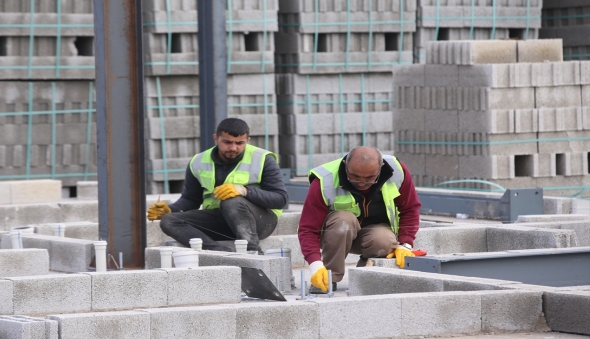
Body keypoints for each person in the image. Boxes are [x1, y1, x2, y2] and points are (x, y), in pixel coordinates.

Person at [147, 118, 288, 253]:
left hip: (261, 223)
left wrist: (244, 191)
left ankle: (252, 251)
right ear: (216, 138)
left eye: (240, 143)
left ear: (247, 141)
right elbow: (191, 200)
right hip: (222, 221)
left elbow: (280, 199)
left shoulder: (263, 159)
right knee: (169, 221)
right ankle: (218, 252)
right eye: (227, 142)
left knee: (232, 201)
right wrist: (170, 210)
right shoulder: (198, 161)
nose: (233, 147)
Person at [298, 146, 421, 293]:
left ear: (381, 168)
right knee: (344, 220)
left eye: (369, 178)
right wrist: (316, 266)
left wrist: (405, 244)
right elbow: (308, 229)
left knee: (384, 241)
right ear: (345, 166)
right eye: (355, 176)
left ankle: (364, 274)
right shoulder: (325, 180)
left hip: (372, 233)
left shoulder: (397, 172)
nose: (362, 183)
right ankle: (330, 277)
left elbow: (410, 209)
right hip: (336, 234)